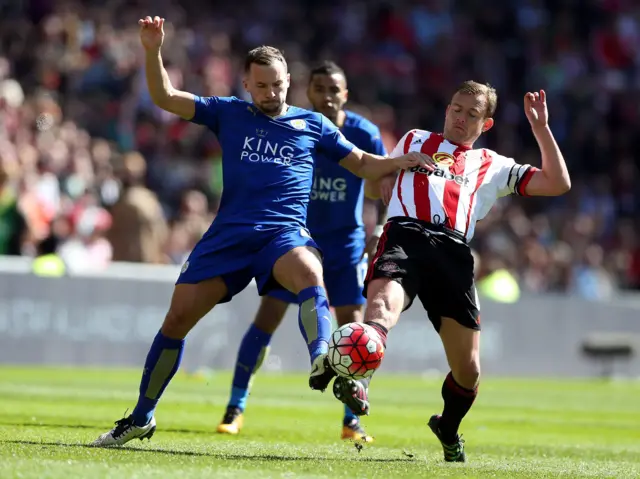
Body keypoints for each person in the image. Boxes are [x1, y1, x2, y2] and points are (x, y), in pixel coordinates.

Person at [91, 16, 426, 447]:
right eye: (263, 86)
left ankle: (321, 357)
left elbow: (362, 163)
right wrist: (153, 50)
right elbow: (165, 97)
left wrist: (400, 162)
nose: (272, 93)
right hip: (229, 235)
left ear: (289, 81)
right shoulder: (228, 112)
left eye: (279, 85)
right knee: (176, 321)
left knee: (309, 271)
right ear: (247, 85)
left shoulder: (313, 125)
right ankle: (141, 417)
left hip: (282, 234)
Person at [331, 81, 571, 462]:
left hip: (452, 251)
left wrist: (540, 128)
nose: (461, 118)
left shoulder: (494, 165)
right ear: (447, 108)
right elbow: (380, 186)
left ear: (486, 124)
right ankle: (357, 378)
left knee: (469, 371)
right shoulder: (414, 138)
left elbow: (558, 183)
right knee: (380, 311)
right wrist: (394, 171)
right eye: (457, 109)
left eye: (472, 114)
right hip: (405, 234)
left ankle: (448, 427)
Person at [216, 61, 388, 442]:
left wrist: (380, 229)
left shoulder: (364, 133)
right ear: (307, 92)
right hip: (294, 240)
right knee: (267, 319)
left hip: (344, 245)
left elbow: (382, 182)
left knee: (353, 330)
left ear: (346, 94)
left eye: (334, 90)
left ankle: (351, 420)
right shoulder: (294, 125)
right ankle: (235, 406)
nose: (326, 96)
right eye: (319, 89)